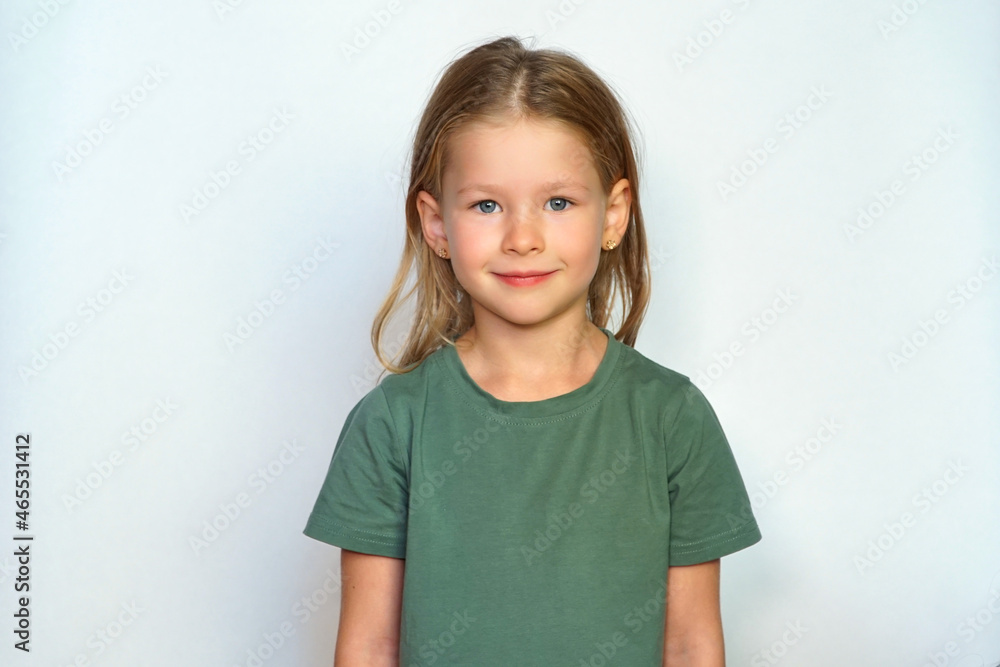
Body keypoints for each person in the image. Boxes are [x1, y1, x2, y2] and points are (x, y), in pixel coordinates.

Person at [303, 34, 762, 666]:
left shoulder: (671, 418)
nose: (523, 238)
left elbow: (689, 646)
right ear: (437, 224)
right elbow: (369, 648)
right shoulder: (392, 425)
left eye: (558, 202)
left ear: (613, 215)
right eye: (487, 204)